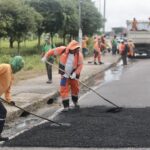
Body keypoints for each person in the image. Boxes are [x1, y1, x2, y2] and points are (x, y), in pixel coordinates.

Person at [41, 40, 83, 111]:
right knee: (63, 89)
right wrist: (46, 56)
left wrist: (75, 73)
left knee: (75, 89)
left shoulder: (79, 55)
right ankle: (66, 106)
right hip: (64, 75)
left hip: (73, 75)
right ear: (70, 48)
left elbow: (80, 65)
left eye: (76, 49)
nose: (75, 50)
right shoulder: (63, 50)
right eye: (74, 49)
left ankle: (75, 102)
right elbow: (52, 51)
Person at [0, 56, 24, 141]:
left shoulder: (11, 76)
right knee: (2, 112)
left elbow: (8, 91)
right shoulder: (5, 67)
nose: (19, 69)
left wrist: (10, 100)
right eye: (19, 66)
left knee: (2, 112)